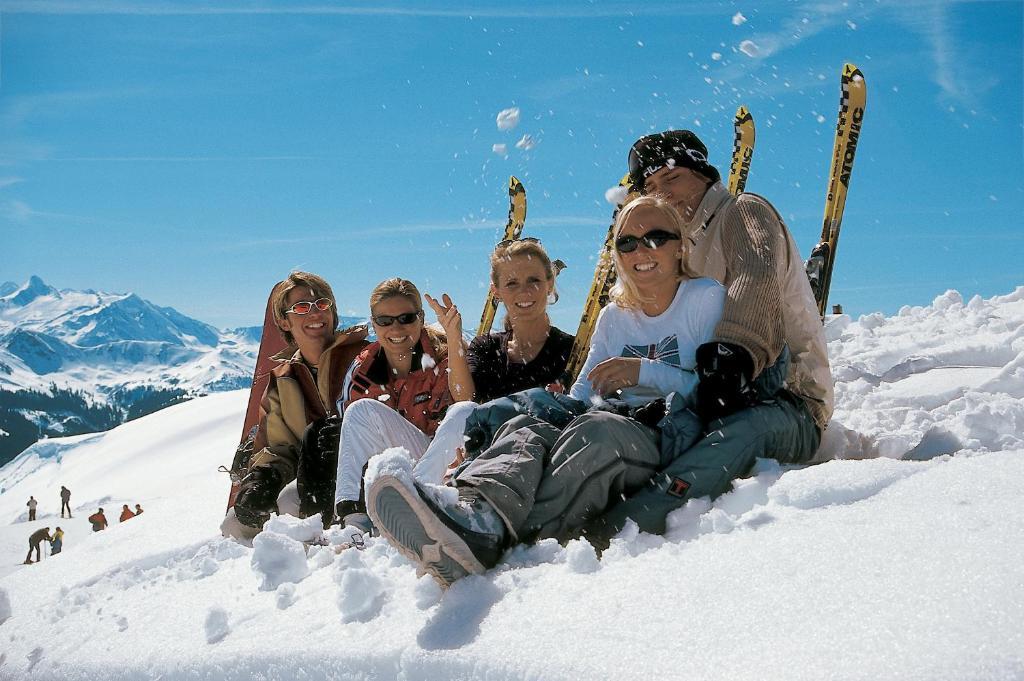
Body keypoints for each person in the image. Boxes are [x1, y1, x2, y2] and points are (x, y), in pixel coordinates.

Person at [366, 195, 727, 587]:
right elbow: (581, 395)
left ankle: (497, 541)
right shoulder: (614, 316)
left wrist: (644, 371)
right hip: (610, 417)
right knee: (526, 422)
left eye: (656, 237)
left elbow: (714, 390)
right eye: (628, 242)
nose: (641, 250)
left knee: (596, 432)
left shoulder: (703, 298)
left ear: (680, 245)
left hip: (665, 431)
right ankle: (474, 513)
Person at [333, 243, 575, 532]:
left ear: (550, 284)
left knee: (464, 413)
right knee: (364, 411)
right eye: (512, 282)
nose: (524, 291)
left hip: (520, 457)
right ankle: (352, 520)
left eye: (534, 280)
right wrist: (454, 334)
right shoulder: (488, 348)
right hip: (462, 452)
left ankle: (414, 504)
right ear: (497, 291)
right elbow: (465, 399)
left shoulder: (572, 350)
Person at [223, 272, 367, 540]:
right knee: (233, 526)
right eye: (302, 308)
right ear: (283, 321)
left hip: (360, 473)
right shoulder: (283, 380)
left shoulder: (363, 358)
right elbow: (279, 447)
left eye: (322, 305)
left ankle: (329, 566)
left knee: (290, 503)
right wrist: (262, 479)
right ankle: (276, 574)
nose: (315, 314)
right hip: (311, 479)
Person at [332, 278, 454, 531]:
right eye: (385, 321)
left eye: (406, 318)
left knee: (362, 410)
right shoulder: (364, 367)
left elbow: (456, 424)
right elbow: (352, 433)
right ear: (374, 324)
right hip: (387, 472)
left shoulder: (444, 358)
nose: (396, 329)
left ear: (420, 317)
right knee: (357, 414)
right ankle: (353, 524)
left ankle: (412, 508)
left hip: (438, 467)